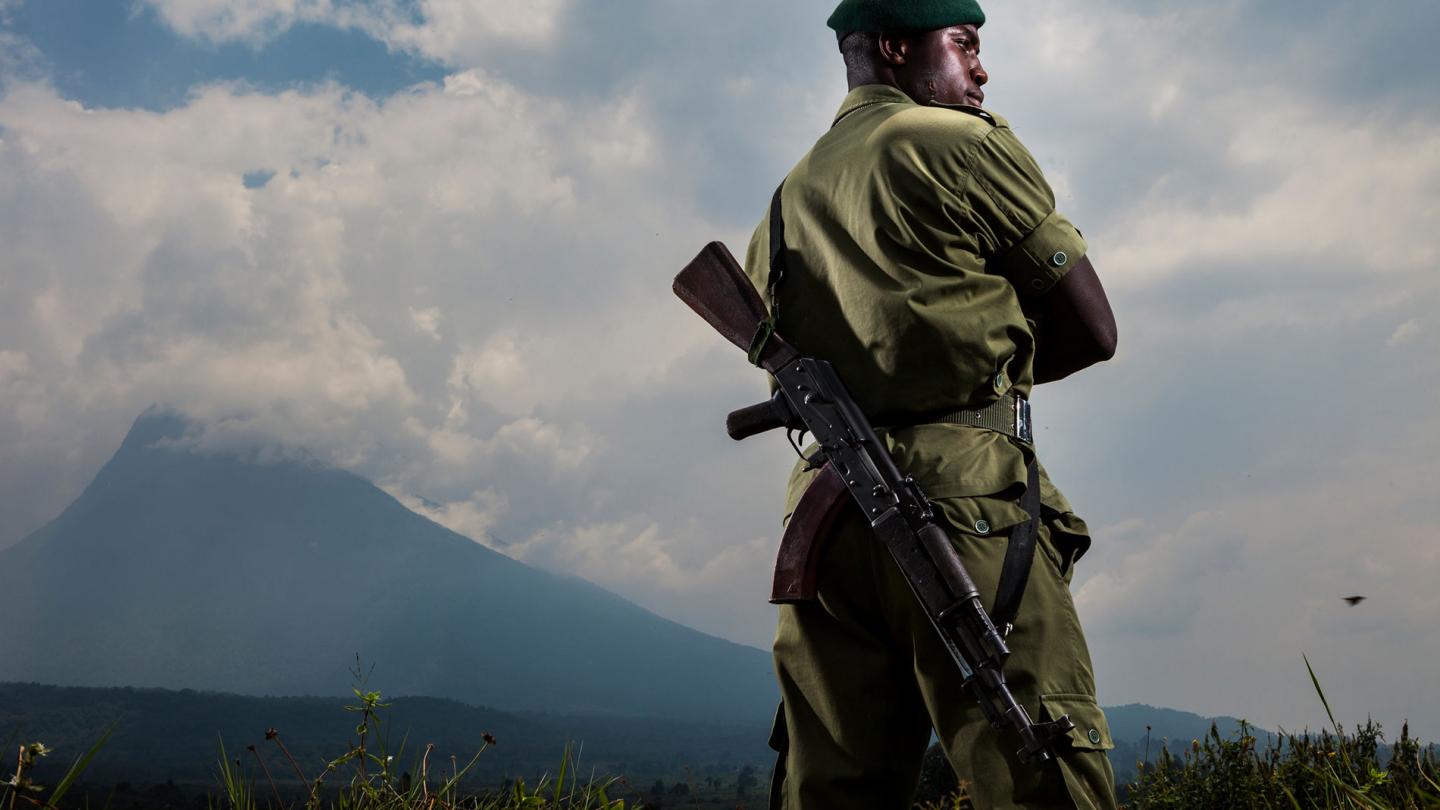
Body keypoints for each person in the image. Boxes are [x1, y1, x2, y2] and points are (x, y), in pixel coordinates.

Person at [740, 1, 1119, 807]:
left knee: (833, 785)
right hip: (960, 500)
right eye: (965, 44)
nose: (981, 70)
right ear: (895, 45)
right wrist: (972, 380)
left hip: (823, 524)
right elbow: (1094, 330)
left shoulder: (781, 203)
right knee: (1037, 763)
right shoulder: (955, 141)